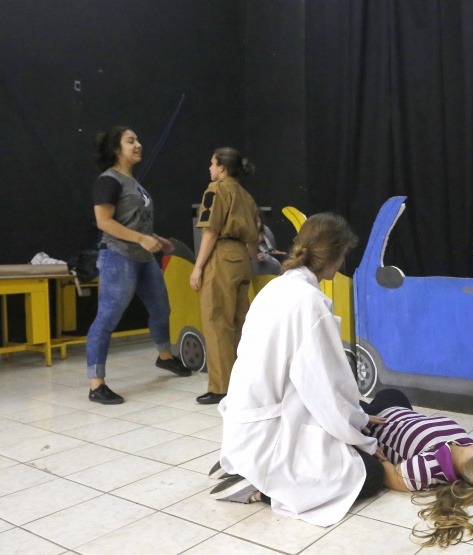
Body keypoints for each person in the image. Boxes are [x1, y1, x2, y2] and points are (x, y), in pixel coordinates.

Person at [209, 213, 386, 527]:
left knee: (383, 403)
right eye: (344, 255)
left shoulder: (277, 288)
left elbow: (317, 384)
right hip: (272, 432)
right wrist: (364, 439)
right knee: (371, 475)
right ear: (335, 256)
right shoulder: (309, 301)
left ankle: (244, 465)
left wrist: (358, 415)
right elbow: (325, 391)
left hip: (252, 420)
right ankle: (258, 485)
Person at [86, 126, 191, 405]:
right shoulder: (108, 180)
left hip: (143, 257)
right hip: (118, 256)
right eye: (130, 141)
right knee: (107, 317)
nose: (138, 144)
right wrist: (141, 238)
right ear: (116, 150)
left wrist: (154, 239)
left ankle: (165, 357)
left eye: (138, 139)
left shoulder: (133, 182)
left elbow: (131, 220)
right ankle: (97, 385)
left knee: (161, 309)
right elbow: (104, 222)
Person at [361, 389, 473, 548]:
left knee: (346, 403)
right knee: (392, 393)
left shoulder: (429, 469)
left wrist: (366, 445)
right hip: (399, 412)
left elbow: (391, 476)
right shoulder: (467, 445)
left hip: (372, 425)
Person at [190, 148, 261, 404]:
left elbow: (211, 231)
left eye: (212, 163)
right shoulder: (246, 196)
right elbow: (254, 238)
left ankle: (221, 387)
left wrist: (198, 267)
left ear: (222, 168)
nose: (210, 169)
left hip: (221, 256)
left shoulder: (216, 189)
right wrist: (253, 257)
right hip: (242, 259)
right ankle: (243, 384)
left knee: (217, 321)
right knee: (240, 324)